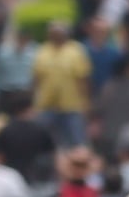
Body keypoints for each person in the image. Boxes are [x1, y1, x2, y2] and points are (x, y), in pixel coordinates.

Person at [30, 20, 93, 150]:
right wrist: (32, 101)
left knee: (76, 141)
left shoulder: (76, 50)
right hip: (46, 104)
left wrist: (86, 102)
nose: (56, 35)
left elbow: (82, 78)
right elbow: (36, 78)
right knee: (42, 140)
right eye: (53, 33)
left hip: (71, 104)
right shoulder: (42, 51)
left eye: (59, 33)